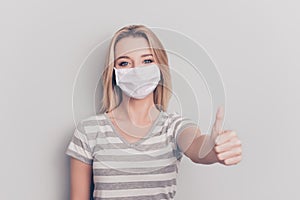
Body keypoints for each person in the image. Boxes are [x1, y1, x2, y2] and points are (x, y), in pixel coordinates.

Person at [65, 24, 242, 200]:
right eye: (125, 63)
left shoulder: (173, 127)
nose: (137, 70)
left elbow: (196, 145)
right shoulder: (88, 131)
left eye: (147, 61)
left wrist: (213, 147)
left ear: (160, 67)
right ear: (113, 72)